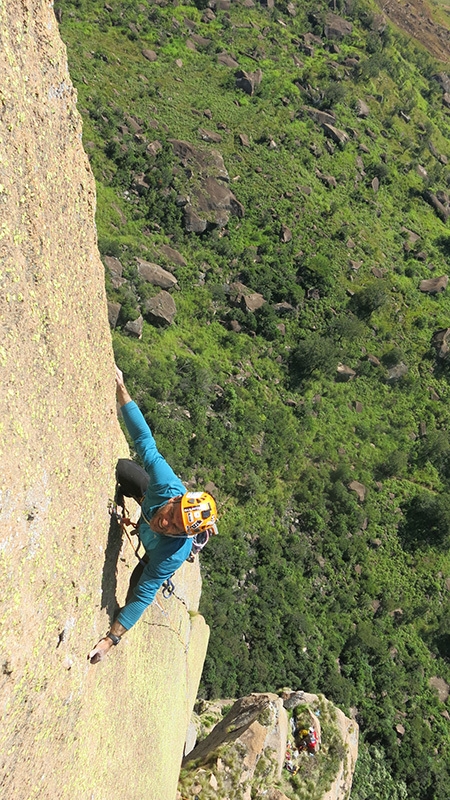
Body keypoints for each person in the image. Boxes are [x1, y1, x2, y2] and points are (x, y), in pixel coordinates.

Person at [88, 365, 218, 664]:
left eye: (177, 528)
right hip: (148, 498)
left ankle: (118, 627)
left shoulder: (173, 552)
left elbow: (146, 594)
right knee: (123, 468)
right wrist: (121, 388)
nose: (168, 523)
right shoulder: (165, 483)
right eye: (173, 515)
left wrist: (111, 640)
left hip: (153, 553)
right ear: (176, 499)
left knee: (136, 590)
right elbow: (145, 441)